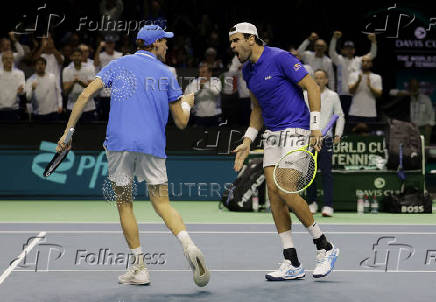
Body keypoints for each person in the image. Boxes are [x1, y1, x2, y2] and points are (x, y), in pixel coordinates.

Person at [56, 25, 210, 287]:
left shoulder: (118, 64)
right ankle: (188, 245)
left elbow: (84, 94)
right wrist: (188, 102)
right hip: (152, 145)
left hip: (120, 144)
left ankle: (139, 268)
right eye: (164, 42)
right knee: (162, 203)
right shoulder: (166, 73)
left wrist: (68, 134)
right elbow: (182, 122)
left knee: (124, 203)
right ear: (153, 44)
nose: (167, 46)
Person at [230, 22, 339, 281]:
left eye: (236, 40)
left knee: (285, 187)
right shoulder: (248, 71)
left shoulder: (280, 58)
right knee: (274, 195)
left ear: (251, 39)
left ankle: (325, 246)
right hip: (272, 136)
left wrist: (315, 128)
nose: (233, 46)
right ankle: (292, 261)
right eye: (231, 42)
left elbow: (312, 87)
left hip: (298, 129)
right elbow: (257, 109)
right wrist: (248, 139)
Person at [304, 69, 345, 217]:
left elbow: (339, 115)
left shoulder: (333, 96)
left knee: (327, 173)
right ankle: (311, 203)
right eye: (316, 78)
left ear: (326, 80)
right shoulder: (306, 94)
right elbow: (302, 115)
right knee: (310, 173)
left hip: (326, 139)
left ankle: (328, 205)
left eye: (322, 78)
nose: (319, 80)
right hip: (310, 139)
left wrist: (338, 133)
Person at [329, 31, 377, 117]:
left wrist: (373, 42)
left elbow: (372, 55)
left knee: (354, 118)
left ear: (354, 50)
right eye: (346, 48)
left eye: (351, 48)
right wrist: (334, 39)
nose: (349, 50)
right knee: (341, 119)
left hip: (356, 95)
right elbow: (331, 52)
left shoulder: (359, 60)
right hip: (342, 95)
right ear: (343, 50)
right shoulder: (339, 60)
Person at [390, 79, 435, 145]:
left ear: (418, 87)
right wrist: (406, 93)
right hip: (409, 129)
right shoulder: (405, 98)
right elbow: (391, 92)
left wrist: (429, 129)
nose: (414, 88)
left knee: (423, 149)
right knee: (410, 149)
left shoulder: (425, 98)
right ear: (409, 87)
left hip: (422, 128)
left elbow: (431, 116)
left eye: (416, 86)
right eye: (412, 86)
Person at [94, 34, 123, 120]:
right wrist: (99, 47)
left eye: (111, 43)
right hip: (104, 92)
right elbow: (95, 64)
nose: (110, 45)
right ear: (105, 44)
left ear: (114, 44)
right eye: (108, 43)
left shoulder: (119, 55)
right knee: (104, 118)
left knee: (117, 118)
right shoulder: (101, 55)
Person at [62, 48, 96, 122]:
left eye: (79, 55)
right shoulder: (66, 70)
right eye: (75, 55)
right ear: (71, 57)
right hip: (72, 107)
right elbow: (66, 90)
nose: (77, 57)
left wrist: (80, 81)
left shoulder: (90, 68)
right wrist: (73, 82)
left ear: (82, 56)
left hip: (88, 107)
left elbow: (91, 88)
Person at [185, 62, 222, 127]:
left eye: (204, 72)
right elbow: (187, 94)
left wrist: (205, 84)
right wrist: (199, 87)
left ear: (210, 73)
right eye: (200, 72)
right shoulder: (194, 82)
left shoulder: (216, 81)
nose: (201, 75)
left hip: (215, 115)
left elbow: (216, 91)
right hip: (199, 116)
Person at [25, 57, 62, 121]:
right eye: (38, 64)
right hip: (38, 114)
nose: (40, 66)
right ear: (35, 66)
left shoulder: (52, 77)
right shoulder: (30, 80)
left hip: (53, 112)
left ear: (45, 65)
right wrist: (32, 89)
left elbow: (58, 92)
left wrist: (60, 105)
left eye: (42, 64)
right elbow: (28, 98)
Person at [348, 55, 382, 123]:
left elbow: (379, 94)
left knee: (369, 134)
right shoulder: (353, 75)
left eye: (368, 61)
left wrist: (370, 87)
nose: (365, 63)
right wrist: (358, 82)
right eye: (363, 61)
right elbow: (350, 91)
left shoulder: (377, 77)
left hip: (370, 114)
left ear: (371, 64)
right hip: (354, 113)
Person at [0, 51, 25, 121]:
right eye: (6, 58)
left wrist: (21, 90)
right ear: (2, 60)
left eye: (10, 58)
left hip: (14, 111)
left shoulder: (20, 73)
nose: (8, 60)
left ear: (13, 60)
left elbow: (22, 92)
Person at [228, 54, 251, 126]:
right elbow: (231, 72)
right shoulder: (237, 57)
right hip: (244, 95)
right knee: (245, 119)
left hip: (256, 93)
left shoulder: (254, 54)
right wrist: (239, 67)